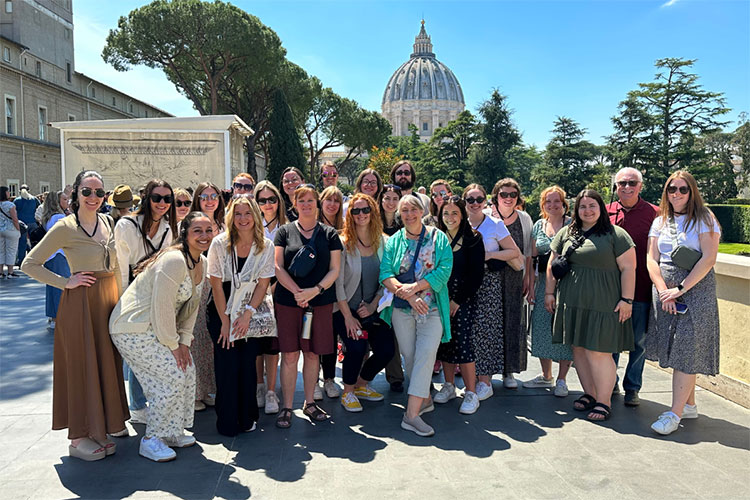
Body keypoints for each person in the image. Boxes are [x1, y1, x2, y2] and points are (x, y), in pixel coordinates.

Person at [22, 170, 129, 461]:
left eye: (99, 192)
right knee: (82, 367)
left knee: (105, 364)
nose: (93, 197)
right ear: (75, 195)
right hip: (80, 304)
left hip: (107, 302)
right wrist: (65, 281)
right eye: (87, 191)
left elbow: (117, 264)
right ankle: (79, 437)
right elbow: (30, 264)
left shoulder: (109, 221)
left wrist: (121, 299)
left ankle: (99, 428)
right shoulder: (65, 227)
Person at [109, 211, 211, 462]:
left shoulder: (202, 262)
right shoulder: (174, 260)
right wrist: (173, 345)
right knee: (171, 374)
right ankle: (152, 439)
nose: (204, 236)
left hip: (156, 328)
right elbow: (162, 307)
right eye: (197, 230)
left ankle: (172, 431)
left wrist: (184, 342)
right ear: (184, 233)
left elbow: (192, 308)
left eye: (208, 230)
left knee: (187, 370)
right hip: (132, 327)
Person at [545, 189, 636, 422]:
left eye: (592, 206)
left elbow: (628, 269)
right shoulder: (567, 232)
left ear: (601, 208)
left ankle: (604, 401)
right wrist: (549, 292)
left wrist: (627, 300)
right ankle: (590, 393)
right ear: (576, 210)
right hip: (572, 300)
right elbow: (552, 262)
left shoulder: (616, 234)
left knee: (599, 350)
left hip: (604, 302)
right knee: (579, 349)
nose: (587, 210)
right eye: (583, 206)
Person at [645, 171, 721, 435]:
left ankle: (674, 414)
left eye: (683, 189)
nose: (676, 194)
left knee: (686, 348)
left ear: (692, 192)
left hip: (694, 291)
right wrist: (664, 289)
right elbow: (651, 259)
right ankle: (688, 405)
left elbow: (708, 259)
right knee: (675, 347)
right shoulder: (660, 221)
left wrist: (680, 289)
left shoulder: (704, 219)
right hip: (666, 290)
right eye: (671, 189)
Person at [379, 194, 453, 437]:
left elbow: (444, 270)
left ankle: (410, 416)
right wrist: (409, 295)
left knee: (424, 356)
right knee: (410, 358)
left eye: (413, 209)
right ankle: (426, 399)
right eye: (405, 210)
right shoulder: (394, 241)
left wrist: (418, 287)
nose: (409, 214)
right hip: (402, 310)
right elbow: (385, 274)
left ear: (422, 211)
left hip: (432, 309)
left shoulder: (437, 237)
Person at [272, 184, 342, 428]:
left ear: (318, 203)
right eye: (301, 200)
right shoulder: (284, 232)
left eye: (311, 200)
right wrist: (297, 292)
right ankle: (287, 406)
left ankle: (310, 403)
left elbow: (335, 269)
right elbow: (277, 267)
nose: (306, 204)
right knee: (289, 355)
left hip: (320, 302)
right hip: (289, 302)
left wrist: (315, 290)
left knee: (312, 354)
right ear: (295, 203)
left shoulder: (330, 234)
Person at [207, 196, 275, 436]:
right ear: (230, 217)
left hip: (250, 307)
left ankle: (247, 417)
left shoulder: (266, 246)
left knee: (247, 364)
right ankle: (227, 422)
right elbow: (216, 286)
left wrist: (247, 315)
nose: (243, 219)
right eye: (238, 214)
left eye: (247, 213)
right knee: (227, 365)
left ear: (255, 216)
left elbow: (263, 284)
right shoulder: (219, 244)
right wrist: (225, 322)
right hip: (221, 307)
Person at [114, 179, 177, 424]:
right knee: (134, 351)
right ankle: (137, 405)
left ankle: (141, 402)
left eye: (167, 199)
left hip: (154, 294)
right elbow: (120, 266)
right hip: (130, 292)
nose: (162, 203)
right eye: (157, 198)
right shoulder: (127, 225)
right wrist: (122, 301)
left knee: (148, 348)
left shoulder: (168, 230)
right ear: (147, 198)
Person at [334, 194, 395, 412]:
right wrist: (348, 317)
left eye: (365, 210)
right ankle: (348, 391)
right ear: (349, 215)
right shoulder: (342, 244)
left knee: (387, 350)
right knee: (357, 347)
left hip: (373, 308)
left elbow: (387, 277)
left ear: (373, 212)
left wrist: (373, 305)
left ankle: (361, 385)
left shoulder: (384, 242)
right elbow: (338, 284)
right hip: (345, 308)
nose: (361, 215)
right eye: (355, 211)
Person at [606, 167, 659, 405]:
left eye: (632, 182)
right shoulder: (605, 212)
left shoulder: (655, 213)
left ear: (640, 185)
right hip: (609, 289)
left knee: (639, 342)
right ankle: (610, 383)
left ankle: (633, 387)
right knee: (611, 341)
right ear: (615, 187)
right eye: (621, 183)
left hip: (642, 289)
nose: (626, 187)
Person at [463, 183, 521, 401]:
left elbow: (513, 251)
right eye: (470, 200)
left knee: (487, 331)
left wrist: (488, 256)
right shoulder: (461, 223)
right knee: (468, 332)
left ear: (486, 201)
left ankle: (485, 381)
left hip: (488, 282)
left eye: (479, 199)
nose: (475, 204)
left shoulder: (495, 224)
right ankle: (472, 379)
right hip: (466, 282)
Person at [433, 196, 485, 414]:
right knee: (444, 341)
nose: (450, 217)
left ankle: (471, 392)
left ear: (462, 214)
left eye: (454, 213)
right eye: (446, 213)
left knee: (463, 343)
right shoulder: (435, 238)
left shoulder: (473, 239)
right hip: (439, 296)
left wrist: (457, 301)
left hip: (462, 298)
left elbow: (476, 275)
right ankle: (448, 385)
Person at [524, 186, 573, 396]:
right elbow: (532, 257)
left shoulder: (572, 225)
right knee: (541, 326)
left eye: (557, 201)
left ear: (564, 204)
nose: (552, 205)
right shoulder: (538, 225)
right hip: (543, 281)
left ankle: (562, 379)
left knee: (563, 328)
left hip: (568, 282)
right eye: (548, 201)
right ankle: (547, 375)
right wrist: (531, 284)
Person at [489, 178, 534, 389]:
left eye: (512, 195)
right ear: (496, 196)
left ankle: (509, 370)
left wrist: (528, 279)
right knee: (489, 323)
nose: (508, 199)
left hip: (514, 277)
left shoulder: (524, 219)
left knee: (513, 322)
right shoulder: (487, 217)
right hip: (489, 278)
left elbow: (528, 254)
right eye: (503, 194)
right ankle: (486, 371)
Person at [189, 182, 226, 411]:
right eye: (205, 196)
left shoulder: (223, 225)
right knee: (196, 337)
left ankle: (209, 388)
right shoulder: (190, 223)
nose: (210, 200)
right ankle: (194, 393)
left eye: (214, 196)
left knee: (213, 338)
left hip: (219, 284)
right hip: (197, 282)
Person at [252, 180, 286, 414]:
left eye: (271, 199)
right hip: (254, 291)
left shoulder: (287, 226)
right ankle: (259, 386)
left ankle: (272, 390)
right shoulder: (249, 224)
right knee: (256, 343)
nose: (267, 204)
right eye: (261, 200)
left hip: (279, 290)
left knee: (274, 345)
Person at [316, 185, 345, 400]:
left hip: (340, 290)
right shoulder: (313, 227)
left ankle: (329, 379)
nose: (332, 204)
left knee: (331, 336)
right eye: (329, 200)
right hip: (317, 289)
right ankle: (315, 378)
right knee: (316, 335)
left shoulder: (345, 227)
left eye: (337, 201)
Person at [39, 191, 71, 327]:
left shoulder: (49, 217)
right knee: (61, 286)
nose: (67, 201)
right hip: (60, 254)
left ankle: (53, 316)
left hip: (52, 254)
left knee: (52, 285)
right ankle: (60, 316)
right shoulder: (59, 217)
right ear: (57, 202)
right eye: (64, 199)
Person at [14, 184, 40, 265]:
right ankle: (36, 259)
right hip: (32, 222)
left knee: (22, 242)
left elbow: (14, 211)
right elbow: (39, 208)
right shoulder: (34, 199)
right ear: (29, 190)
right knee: (35, 242)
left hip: (22, 224)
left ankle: (21, 261)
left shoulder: (17, 200)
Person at [0, 186, 21, 278]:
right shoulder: (10, 205)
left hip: (0, 229)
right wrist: (18, 229)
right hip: (10, 229)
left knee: (1, 251)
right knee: (11, 250)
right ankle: (10, 272)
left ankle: (0, 272)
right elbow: (14, 219)